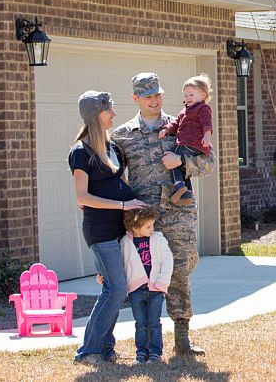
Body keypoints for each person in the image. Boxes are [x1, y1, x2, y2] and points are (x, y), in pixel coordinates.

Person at [110, 72, 209, 356]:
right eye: (148, 96)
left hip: (179, 215)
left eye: (158, 94)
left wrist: (183, 161)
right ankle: (147, 342)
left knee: (179, 272)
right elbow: (112, 174)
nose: (155, 100)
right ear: (136, 99)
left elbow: (209, 162)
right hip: (143, 221)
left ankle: (182, 339)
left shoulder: (183, 125)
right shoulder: (122, 136)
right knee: (141, 277)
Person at [68, 90, 148, 366]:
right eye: (109, 110)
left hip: (119, 229)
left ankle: (105, 347)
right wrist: (123, 207)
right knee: (115, 289)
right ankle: (89, 350)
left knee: (116, 287)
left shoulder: (113, 148)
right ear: (95, 115)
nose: (114, 114)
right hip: (100, 231)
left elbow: (121, 184)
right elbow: (82, 197)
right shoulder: (81, 152)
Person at [121, 206, 173, 364]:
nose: (152, 229)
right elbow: (120, 264)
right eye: (148, 226)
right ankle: (141, 353)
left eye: (152, 225)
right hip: (136, 291)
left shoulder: (158, 239)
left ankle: (155, 353)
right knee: (141, 324)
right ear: (135, 227)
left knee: (154, 323)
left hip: (156, 290)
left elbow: (167, 260)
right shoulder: (125, 242)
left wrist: (162, 283)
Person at [158, 75, 216, 206]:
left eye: (191, 95)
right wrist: (166, 130)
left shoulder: (203, 108)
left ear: (203, 95)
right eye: (185, 95)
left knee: (172, 159)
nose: (187, 98)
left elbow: (207, 123)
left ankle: (178, 185)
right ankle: (186, 193)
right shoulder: (184, 111)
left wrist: (207, 136)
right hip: (187, 144)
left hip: (192, 143)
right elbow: (175, 123)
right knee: (184, 169)